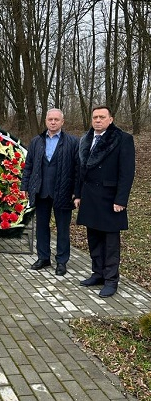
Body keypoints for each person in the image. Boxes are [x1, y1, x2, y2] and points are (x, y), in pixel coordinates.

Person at [74, 106, 135, 298]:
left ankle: (111, 280)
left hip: (110, 198)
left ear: (111, 119)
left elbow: (127, 172)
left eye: (102, 117)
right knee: (93, 238)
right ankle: (98, 274)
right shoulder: (86, 139)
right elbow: (80, 171)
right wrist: (78, 195)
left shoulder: (122, 139)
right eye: (95, 117)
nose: (98, 120)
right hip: (90, 196)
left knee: (110, 242)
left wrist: (121, 199)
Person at [20, 108, 79, 276]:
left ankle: (61, 261)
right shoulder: (36, 141)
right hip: (41, 191)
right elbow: (28, 166)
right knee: (41, 227)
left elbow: (78, 169)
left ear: (62, 122)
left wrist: (77, 192)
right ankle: (43, 257)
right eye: (50, 119)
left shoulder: (73, 142)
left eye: (56, 120)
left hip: (64, 192)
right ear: (45, 121)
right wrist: (25, 187)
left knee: (63, 229)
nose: (53, 122)